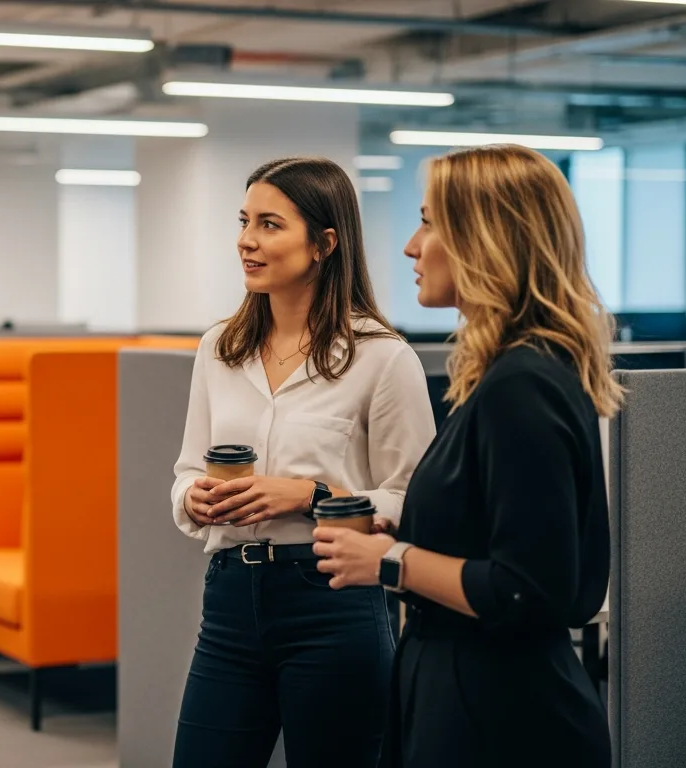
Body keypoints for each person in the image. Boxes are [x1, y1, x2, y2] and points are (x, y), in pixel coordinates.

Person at [313, 144, 618, 768]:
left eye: (428, 222)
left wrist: (389, 561)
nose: (410, 246)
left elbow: (527, 589)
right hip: (470, 695)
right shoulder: (508, 375)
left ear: (484, 239)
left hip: (501, 716)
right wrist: (409, 527)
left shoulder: (522, 385)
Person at [170, 157, 435, 768]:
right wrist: (194, 498)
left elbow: (415, 501)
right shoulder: (220, 348)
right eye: (243, 222)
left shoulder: (380, 357)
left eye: (269, 224)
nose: (246, 240)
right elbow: (186, 470)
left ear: (324, 243)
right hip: (232, 598)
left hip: (333, 601)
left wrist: (312, 495)